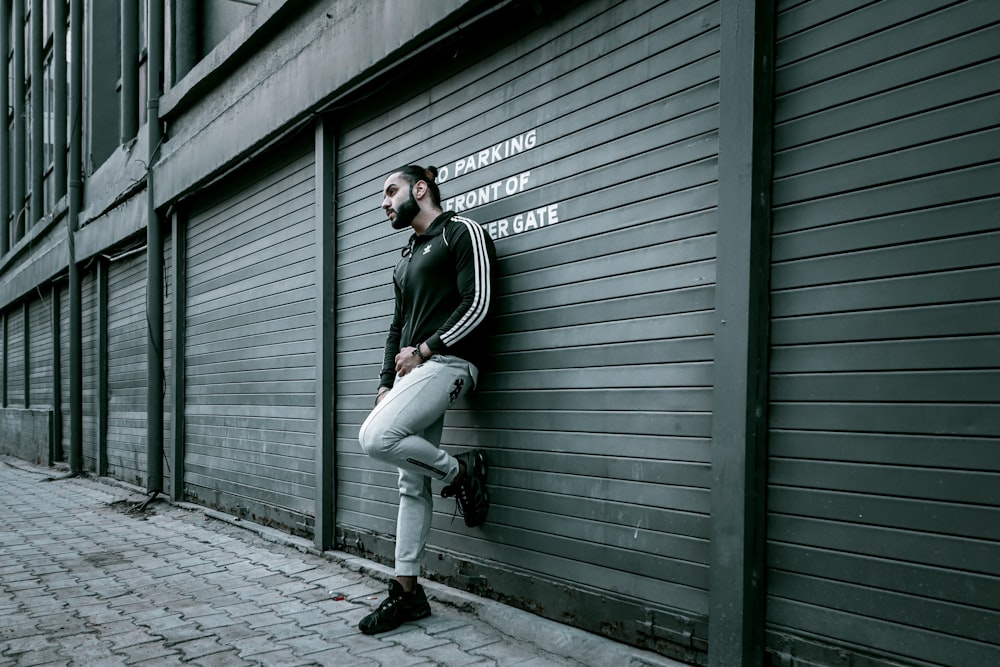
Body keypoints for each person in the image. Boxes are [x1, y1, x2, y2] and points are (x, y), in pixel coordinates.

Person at [357, 164, 498, 635]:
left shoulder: (462, 232)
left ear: (421, 189)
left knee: (376, 437)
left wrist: (426, 350)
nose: (384, 202)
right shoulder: (405, 257)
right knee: (410, 484)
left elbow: (477, 303)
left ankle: (460, 471)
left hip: (450, 364)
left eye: (390, 191)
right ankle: (407, 592)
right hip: (411, 372)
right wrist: (384, 381)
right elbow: (396, 326)